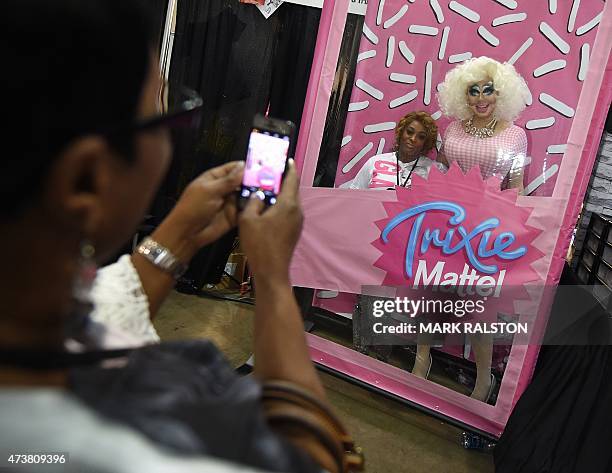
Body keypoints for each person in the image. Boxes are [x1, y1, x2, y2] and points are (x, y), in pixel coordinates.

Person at [0, 1, 361, 472]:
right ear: (87, 179)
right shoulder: (140, 453)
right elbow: (310, 460)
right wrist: (273, 276)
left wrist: (179, 237)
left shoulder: (28, 313)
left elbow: (101, 317)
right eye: (164, 110)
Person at [437, 56, 529, 193]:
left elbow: (516, 186)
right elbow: (440, 170)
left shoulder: (516, 135)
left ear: (499, 93)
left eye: (488, 91)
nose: (481, 98)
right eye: (474, 92)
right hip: (452, 208)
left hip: (492, 209)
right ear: (465, 96)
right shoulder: (453, 128)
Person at [341, 111, 446, 190]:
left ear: (426, 143)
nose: (413, 139)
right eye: (409, 132)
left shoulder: (436, 170)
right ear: (400, 133)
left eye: (421, 137)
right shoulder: (374, 162)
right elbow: (355, 197)